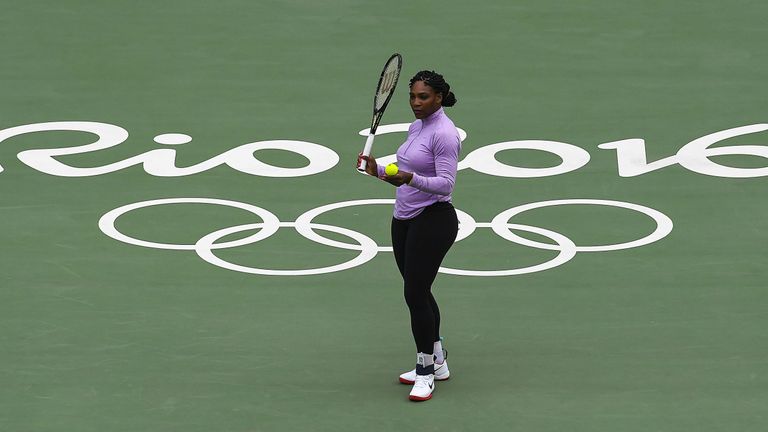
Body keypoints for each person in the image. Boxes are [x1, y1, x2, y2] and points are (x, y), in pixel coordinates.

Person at [358, 70, 460, 402]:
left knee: (415, 295)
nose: (416, 103)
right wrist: (378, 172)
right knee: (419, 290)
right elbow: (402, 176)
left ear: (439, 98)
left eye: (423, 97)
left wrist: (408, 177)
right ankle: (439, 360)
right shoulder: (416, 127)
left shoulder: (444, 134)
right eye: (413, 97)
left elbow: (445, 184)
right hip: (403, 218)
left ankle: (426, 371)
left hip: (433, 220)